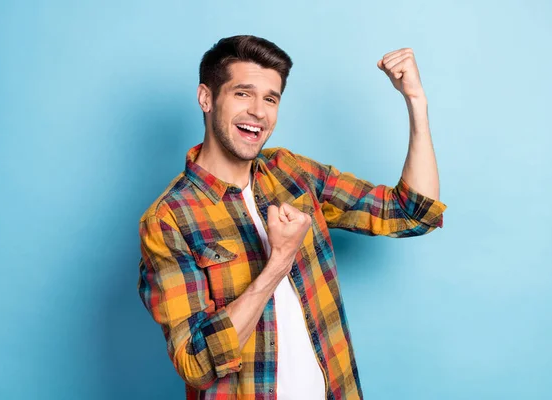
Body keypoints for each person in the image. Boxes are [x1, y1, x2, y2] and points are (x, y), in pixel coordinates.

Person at [137, 35, 447, 400]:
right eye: (242, 93)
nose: (258, 111)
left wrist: (416, 102)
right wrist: (279, 261)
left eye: (271, 98)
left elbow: (412, 212)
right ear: (206, 97)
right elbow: (197, 362)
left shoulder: (292, 172)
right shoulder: (169, 219)